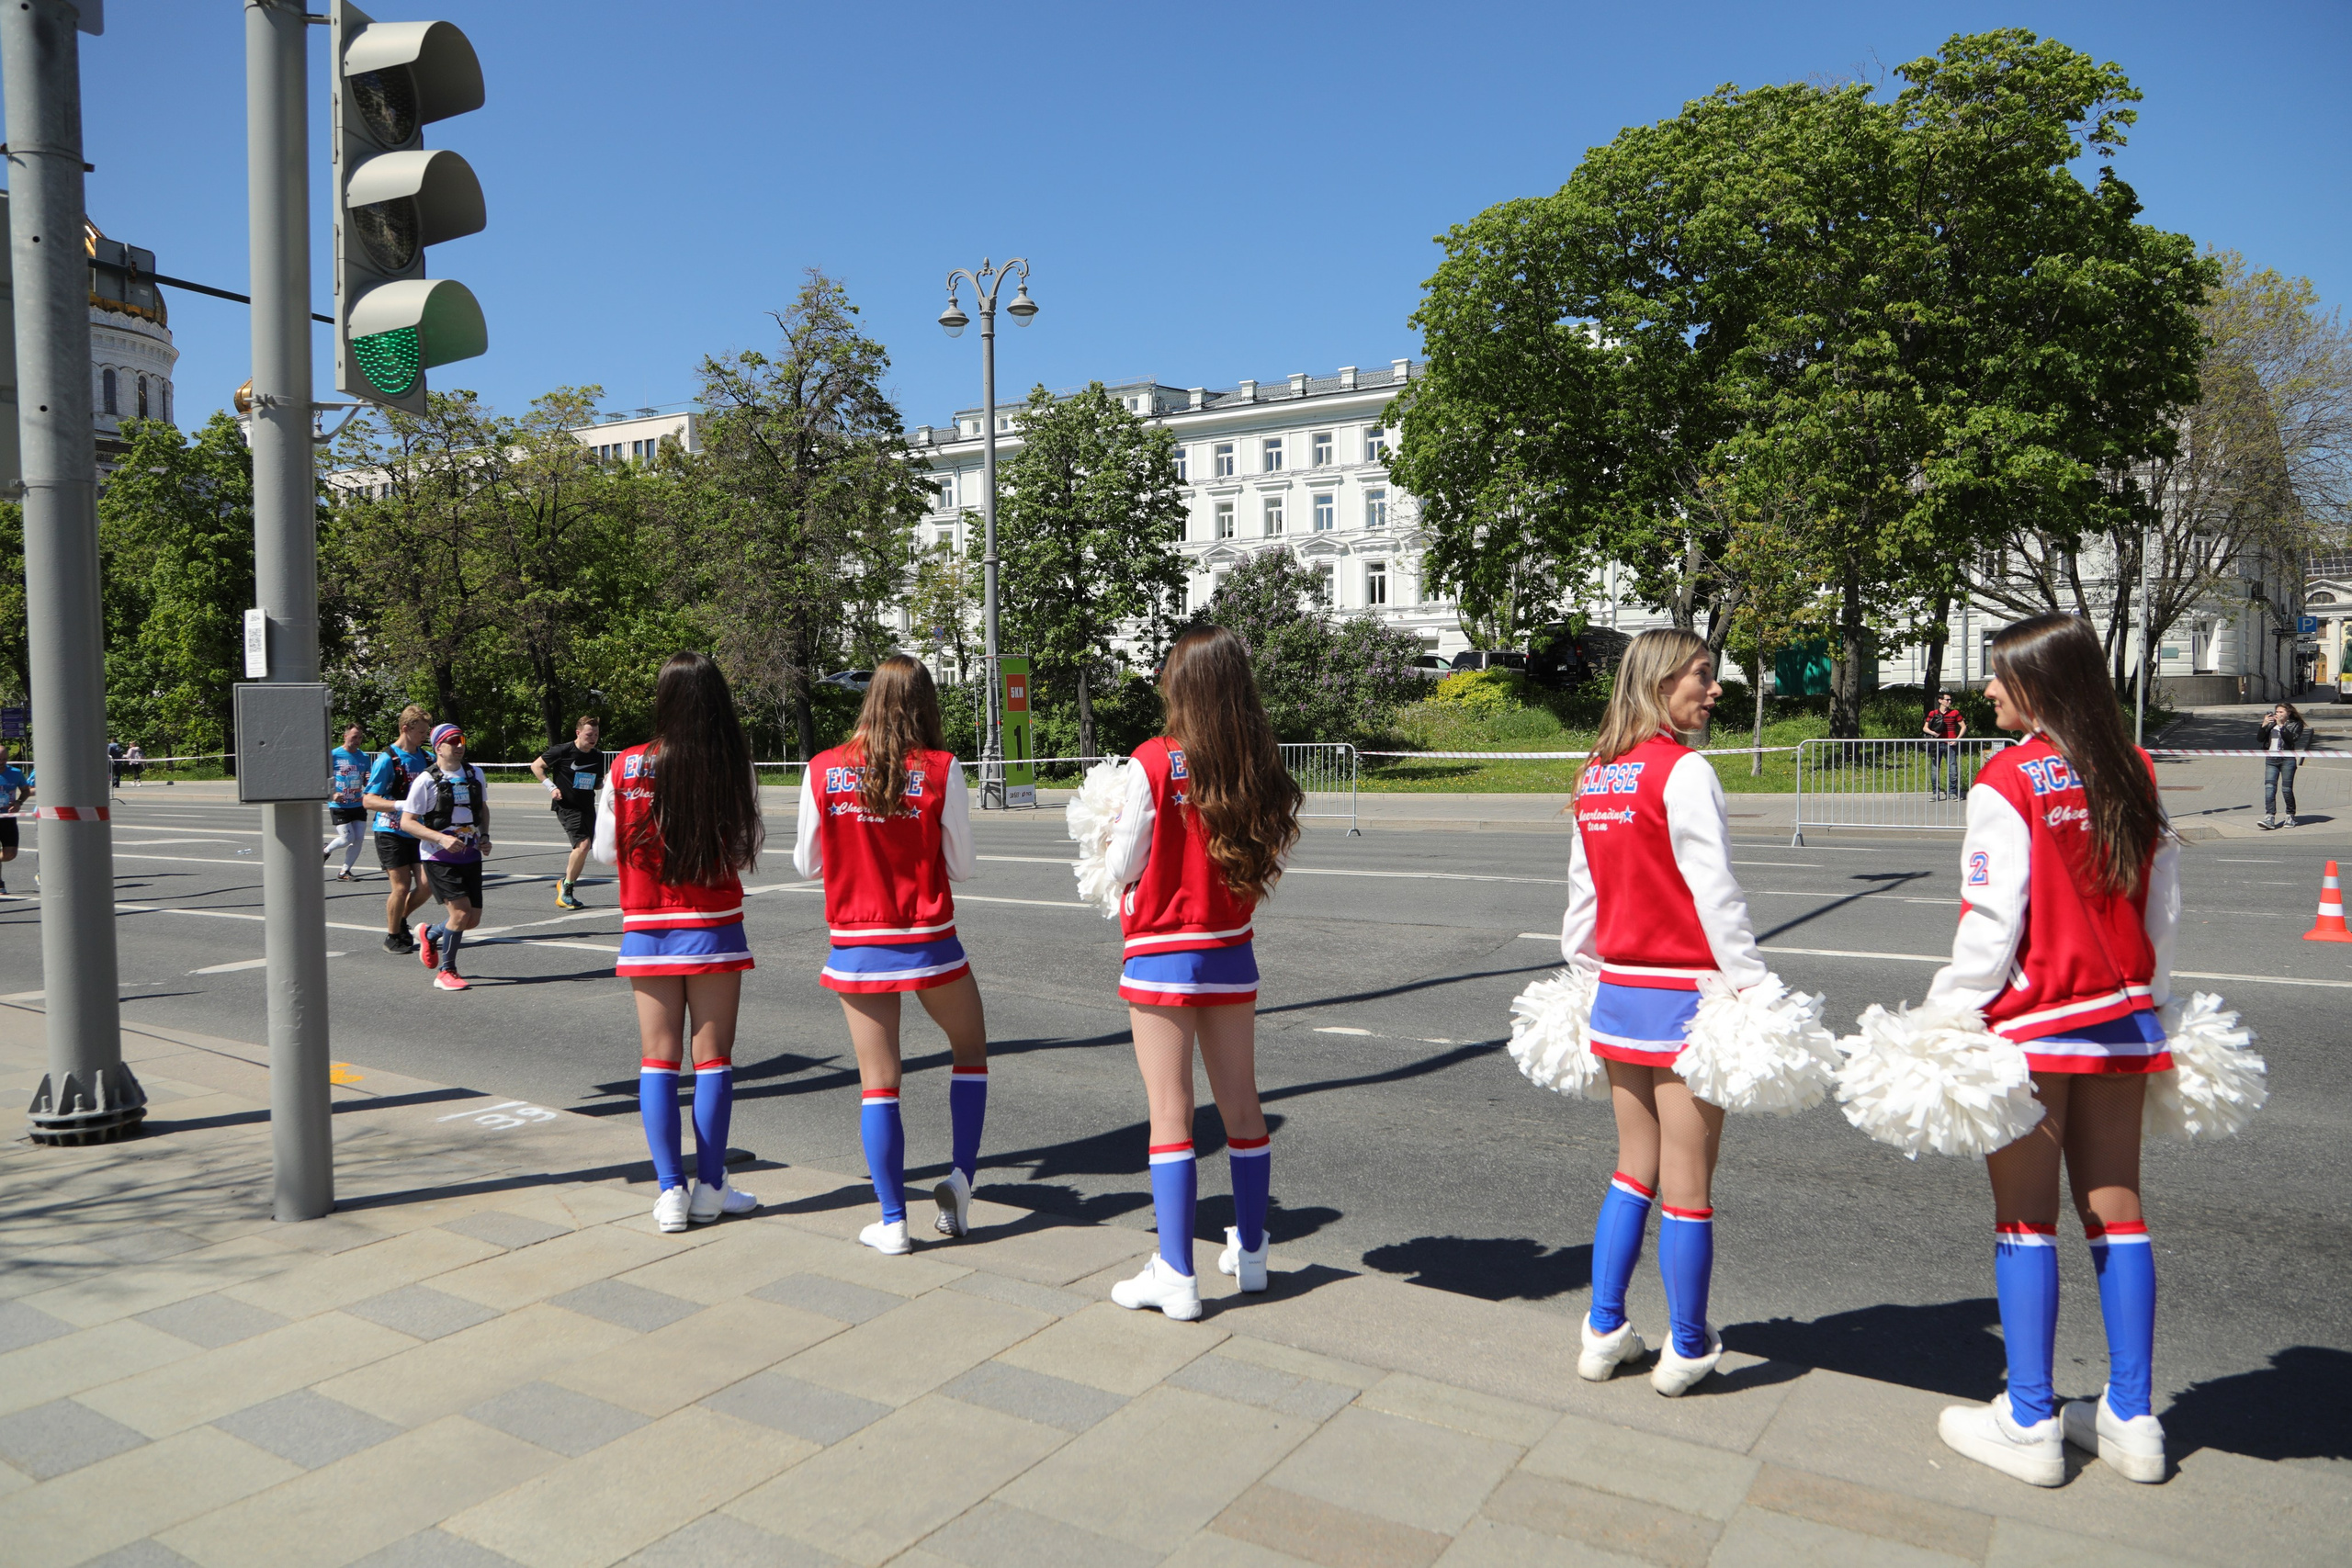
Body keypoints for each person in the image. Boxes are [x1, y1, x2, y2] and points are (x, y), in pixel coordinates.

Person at [1919, 613, 2179, 1487]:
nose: (1986, 689)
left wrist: (1943, 1016)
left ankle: (2030, 1416)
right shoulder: (2132, 766)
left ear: (2040, 680)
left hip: (2034, 1026)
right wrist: (2157, 1002)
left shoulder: (2007, 777)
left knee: (2025, 1220)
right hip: (2125, 1021)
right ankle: (2133, 1417)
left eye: (1999, 675)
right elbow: (2161, 911)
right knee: (2120, 1211)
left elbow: (1992, 924)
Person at [1555, 627, 1771, 1396]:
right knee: (1687, 1181)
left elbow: (1582, 908)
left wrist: (1590, 979)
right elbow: (1717, 897)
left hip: (1619, 996)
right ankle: (1686, 1345)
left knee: (1631, 1170)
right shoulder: (1684, 772)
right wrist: (1754, 988)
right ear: (1659, 682)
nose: (1714, 689)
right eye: (1702, 675)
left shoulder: (1596, 773)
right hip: (1686, 1001)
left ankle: (1603, 1328)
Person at [1100, 626, 1302, 1321]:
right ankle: (1251, 1254)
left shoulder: (1152, 761)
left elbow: (1125, 862)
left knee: (1170, 1109)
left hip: (1160, 950)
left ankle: (1177, 1273)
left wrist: (1104, 847)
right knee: (1242, 1103)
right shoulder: (1252, 762)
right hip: (1229, 951)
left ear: (1182, 687)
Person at [795, 655, 988, 1256]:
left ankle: (893, 1219)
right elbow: (962, 865)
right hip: (929, 941)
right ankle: (961, 1176)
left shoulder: (824, 769)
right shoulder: (940, 768)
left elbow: (807, 863)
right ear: (925, 704)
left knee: (880, 1083)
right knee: (971, 1052)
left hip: (859, 945)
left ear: (869, 699)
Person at [595, 651, 763, 1233]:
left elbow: (603, 852)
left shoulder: (625, 767)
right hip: (715, 925)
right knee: (713, 1060)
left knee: (657, 1059)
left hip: (649, 927)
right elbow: (742, 851)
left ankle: (670, 1191)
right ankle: (711, 1187)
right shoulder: (731, 765)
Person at [399, 722, 492, 992]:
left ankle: (430, 933)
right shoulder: (426, 781)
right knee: (460, 913)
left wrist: (484, 837)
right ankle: (446, 972)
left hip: (470, 854)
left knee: (471, 920)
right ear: (439, 747)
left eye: (461, 739)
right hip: (438, 856)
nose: (460, 745)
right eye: (453, 741)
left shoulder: (475, 774)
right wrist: (440, 838)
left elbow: (482, 809)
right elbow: (407, 822)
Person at [365, 705, 435, 954]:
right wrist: (399, 804)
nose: (425, 736)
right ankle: (393, 935)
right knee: (401, 886)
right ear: (405, 729)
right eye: (421, 732)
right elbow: (369, 800)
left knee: (427, 885)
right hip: (390, 831)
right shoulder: (387, 759)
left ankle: (399, 918)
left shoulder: (428, 759)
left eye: (427, 732)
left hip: (418, 831)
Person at [532, 714, 607, 909]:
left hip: (587, 806)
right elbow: (536, 766)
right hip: (567, 805)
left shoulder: (597, 756)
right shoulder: (563, 750)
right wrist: (551, 787)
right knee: (582, 845)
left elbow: (596, 783)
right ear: (578, 733)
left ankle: (566, 885)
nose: (593, 738)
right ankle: (566, 889)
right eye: (589, 734)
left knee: (584, 848)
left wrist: (606, 781)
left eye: (596, 735)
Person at [322, 724, 371, 882]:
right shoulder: (334, 755)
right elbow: (321, 777)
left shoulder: (364, 757)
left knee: (358, 839)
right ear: (345, 736)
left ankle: (345, 871)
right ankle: (325, 850)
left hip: (358, 804)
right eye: (354, 736)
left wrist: (370, 784)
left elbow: (367, 778)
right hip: (339, 805)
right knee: (346, 838)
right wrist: (332, 794)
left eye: (360, 737)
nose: (357, 740)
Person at [2255, 701, 2309, 829]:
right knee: (2269, 788)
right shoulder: (2271, 724)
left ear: (2288, 713)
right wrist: (2264, 725)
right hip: (2271, 759)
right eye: (2277, 712)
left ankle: (2290, 815)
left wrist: (2281, 726)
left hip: (2287, 759)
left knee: (2286, 789)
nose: (2278, 714)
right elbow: (2260, 739)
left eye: (2281, 712)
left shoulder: (2296, 724)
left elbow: (2292, 739)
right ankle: (2269, 817)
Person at [1923, 690, 1968, 800]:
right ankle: (1935, 793)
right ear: (1940, 701)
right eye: (1947, 700)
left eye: (1950, 700)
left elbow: (1964, 726)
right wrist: (1933, 733)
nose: (1949, 702)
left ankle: (1952, 793)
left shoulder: (1955, 713)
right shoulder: (1933, 713)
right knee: (1934, 769)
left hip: (1951, 744)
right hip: (1936, 744)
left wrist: (1957, 739)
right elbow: (1925, 727)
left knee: (1953, 769)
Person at [0, 744, 28, 897]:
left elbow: (25, 790)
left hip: (7, 817)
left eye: (4, 759)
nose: (2, 762)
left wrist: (18, 802)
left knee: (10, 853)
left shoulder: (15, 773)